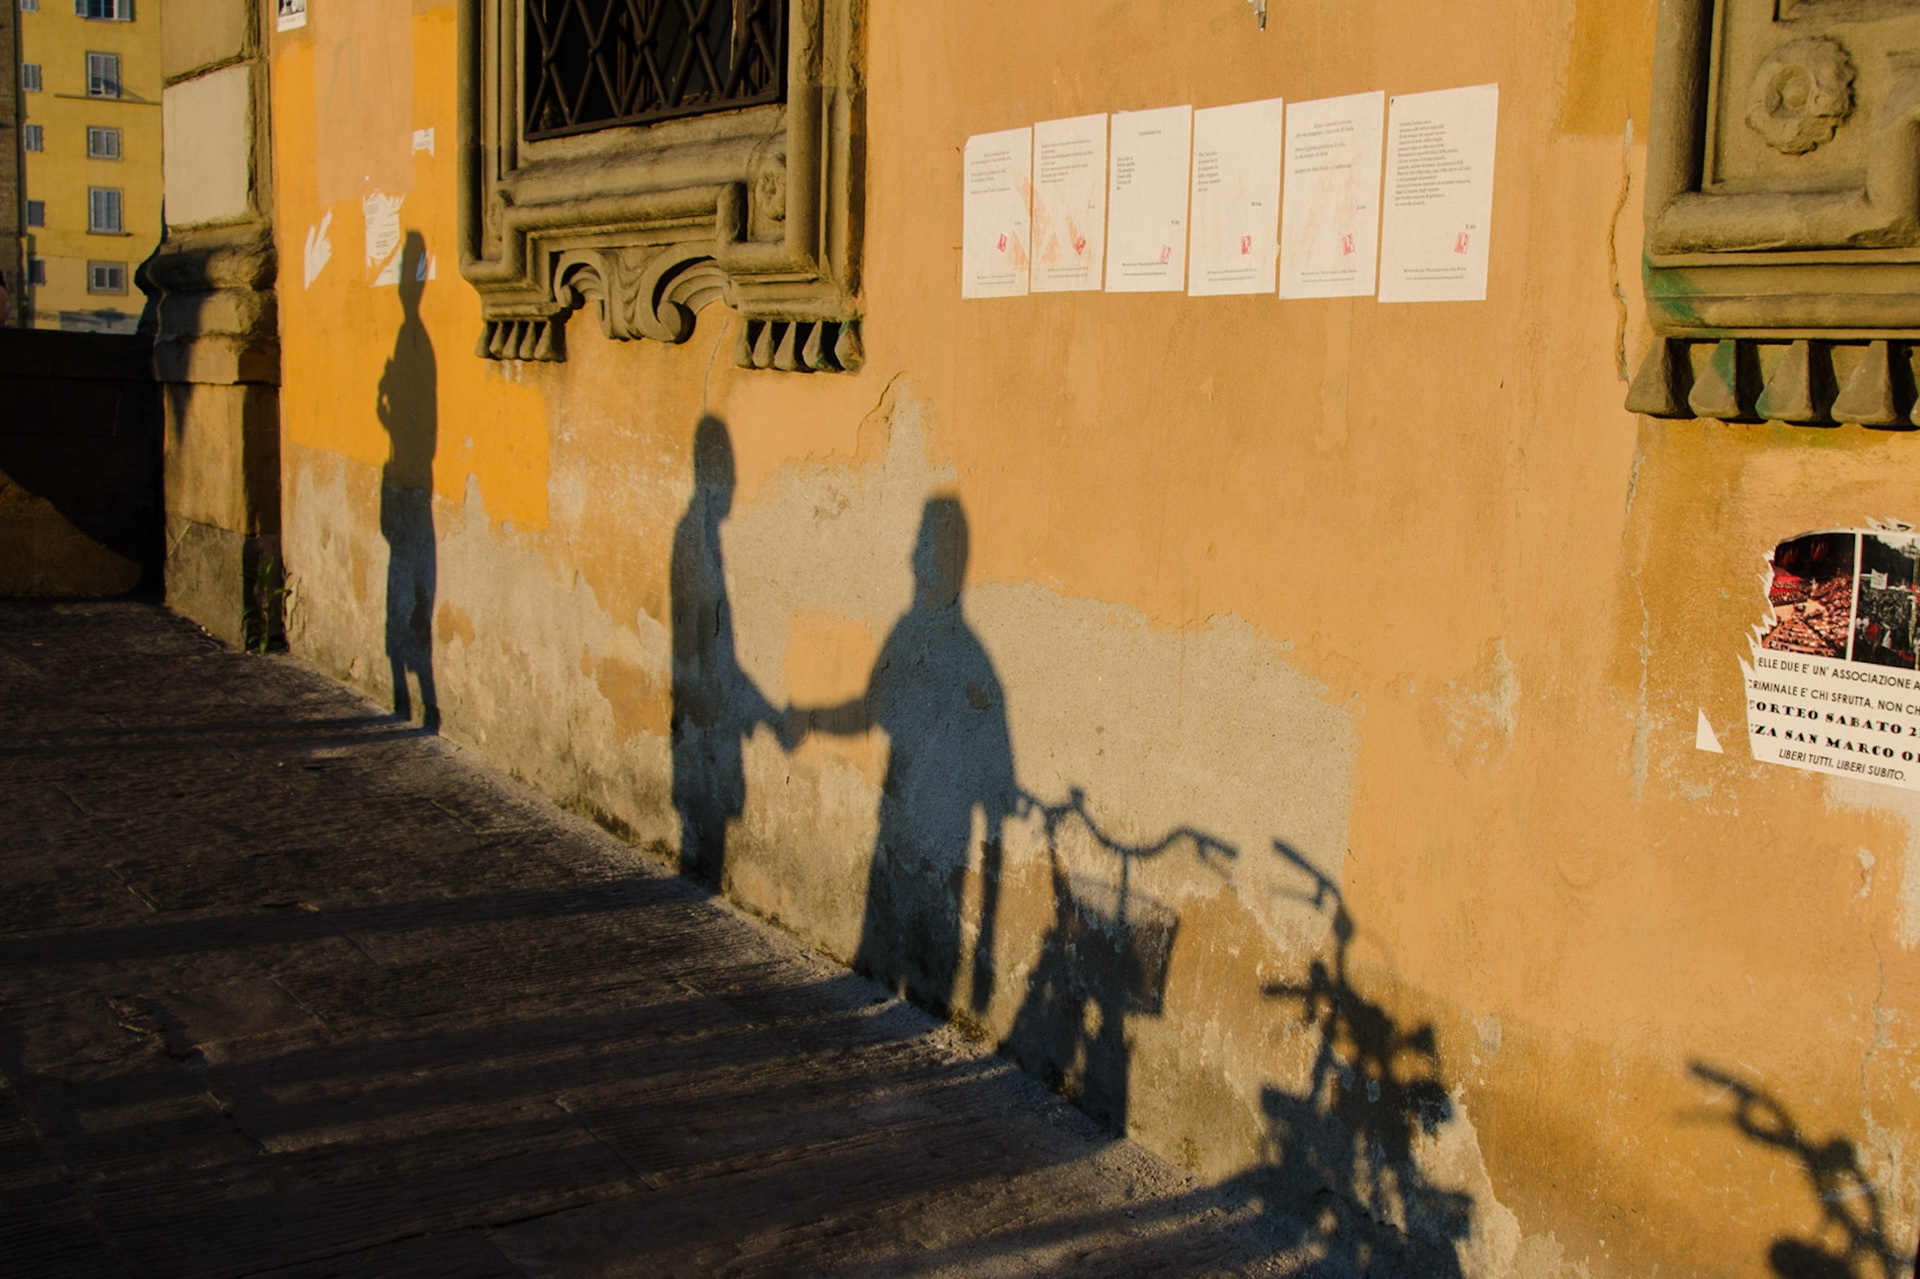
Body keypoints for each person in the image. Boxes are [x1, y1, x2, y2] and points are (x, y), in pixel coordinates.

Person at [787, 497, 1016, 1016]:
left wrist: (985, 948)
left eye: (929, 546)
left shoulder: (968, 655)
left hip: (939, 867)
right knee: (880, 989)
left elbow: (1000, 803)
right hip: (893, 844)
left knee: (912, 1012)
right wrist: (815, 719)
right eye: (920, 544)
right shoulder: (910, 633)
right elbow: (870, 711)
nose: (916, 557)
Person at [671, 417, 779, 886]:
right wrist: (768, 712)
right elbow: (706, 638)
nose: (734, 482)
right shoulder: (695, 535)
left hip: (712, 709)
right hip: (704, 707)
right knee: (704, 862)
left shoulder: (698, 531)